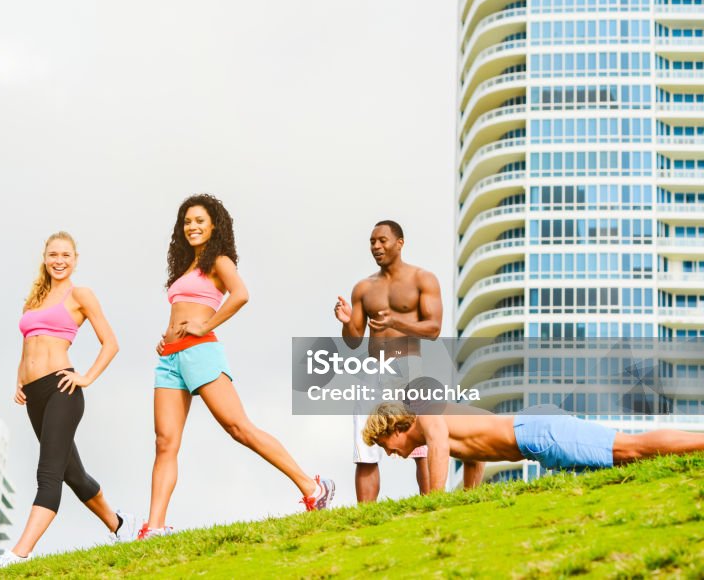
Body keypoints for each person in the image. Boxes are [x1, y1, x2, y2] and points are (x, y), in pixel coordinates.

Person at [140, 194, 335, 539]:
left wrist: (205, 324)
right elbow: (183, 308)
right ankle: (154, 527)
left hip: (200, 351)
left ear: (214, 224)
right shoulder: (186, 266)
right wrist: (167, 337)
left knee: (238, 427)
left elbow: (241, 294)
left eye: (199, 220)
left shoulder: (219, 260)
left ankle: (311, 487)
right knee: (165, 442)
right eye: (187, 221)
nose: (192, 227)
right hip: (170, 358)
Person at [0, 231, 133, 569]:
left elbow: (110, 342)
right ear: (45, 257)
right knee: (74, 475)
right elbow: (28, 346)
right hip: (35, 396)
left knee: (48, 474)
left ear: (75, 260)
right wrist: (19, 380)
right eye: (53, 254)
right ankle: (119, 525)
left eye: (66, 255)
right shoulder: (34, 299)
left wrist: (85, 377)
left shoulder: (80, 294)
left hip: (62, 390)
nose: (59, 260)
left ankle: (18, 553)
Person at [334, 220, 452, 502]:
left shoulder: (423, 279)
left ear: (400, 242)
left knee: (421, 443)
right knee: (365, 445)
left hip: (408, 365)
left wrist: (397, 320)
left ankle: (431, 504)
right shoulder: (363, 288)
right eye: (372, 242)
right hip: (373, 369)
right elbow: (353, 340)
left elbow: (434, 328)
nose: (376, 246)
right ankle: (364, 517)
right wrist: (347, 322)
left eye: (382, 240)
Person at [363, 401, 704, 492]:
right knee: (626, 461)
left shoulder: (427, 415)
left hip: (539, 432)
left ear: (394, 427)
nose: (388, 452)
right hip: (537, 440)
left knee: (630, 448)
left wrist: (434, 504)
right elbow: (475, 458)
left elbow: (437, 446)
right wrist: (466, 501)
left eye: (383, 444)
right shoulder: (445, 431)